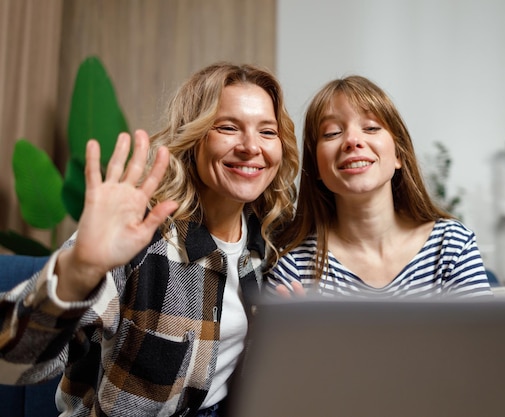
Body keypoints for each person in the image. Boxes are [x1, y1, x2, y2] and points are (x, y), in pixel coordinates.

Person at [0, 63, 299, 416]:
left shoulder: (270, 239)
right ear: (194, 138)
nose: (251, 146)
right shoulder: (139, 236)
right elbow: (13, 363)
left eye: (267, 131)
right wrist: (79, 271)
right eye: (228, 127)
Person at [267, 75, 491, 298]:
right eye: (333, 132)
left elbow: (483, 334)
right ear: (316, 166)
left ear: (399, 155)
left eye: (372, 128)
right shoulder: (293, 266)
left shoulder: (452, 245)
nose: (353, 141)